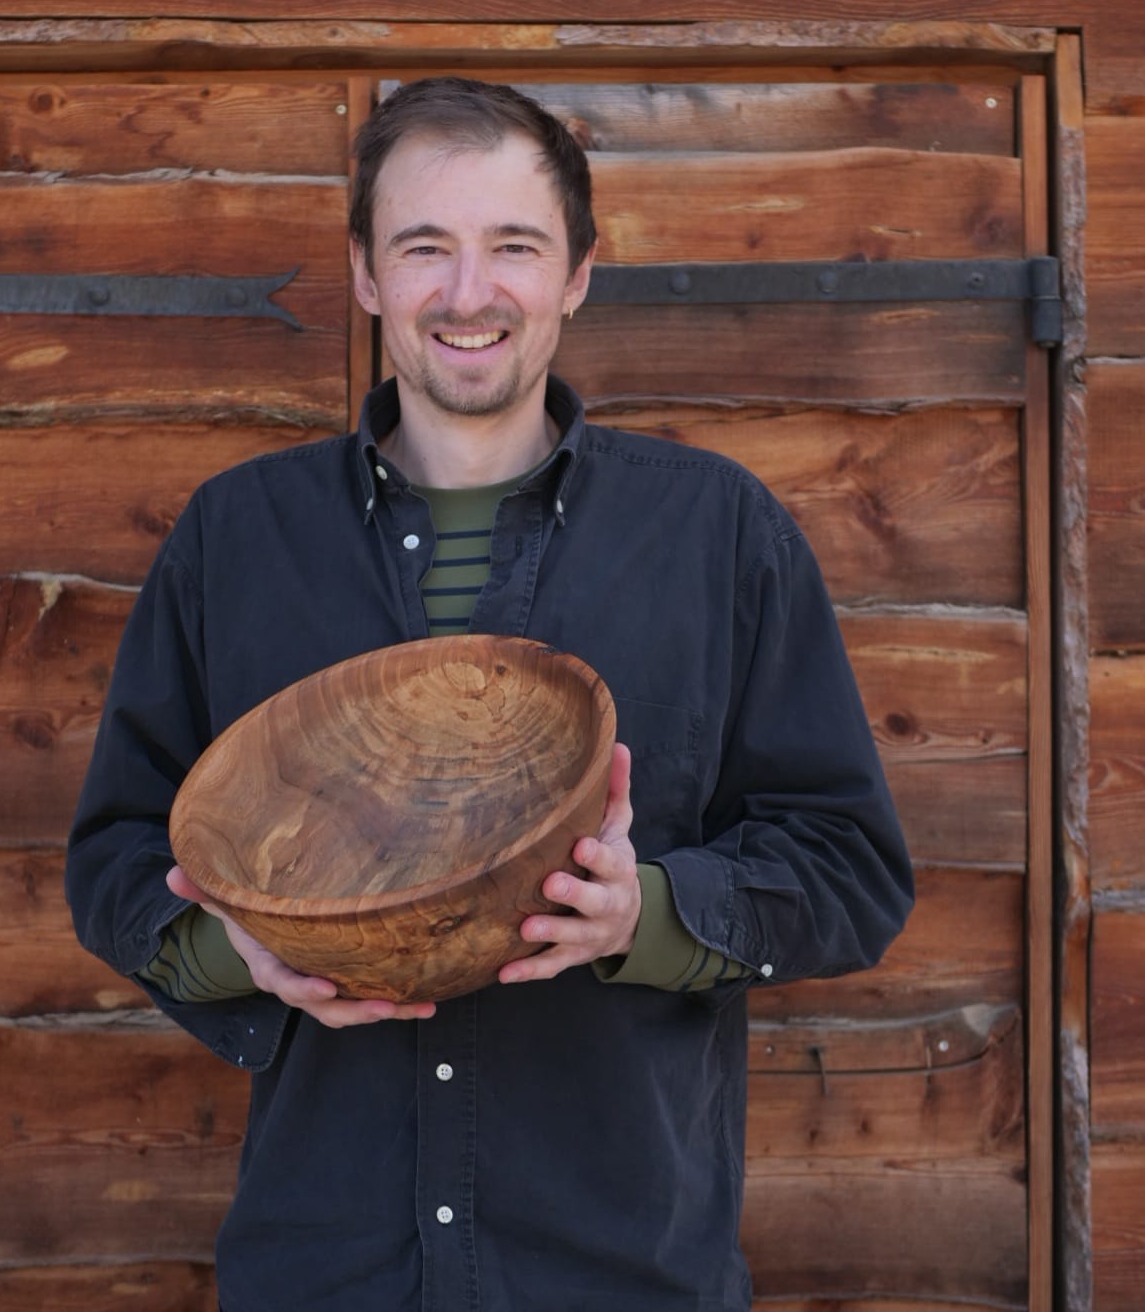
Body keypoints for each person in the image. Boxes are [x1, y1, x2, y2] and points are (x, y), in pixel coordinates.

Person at [66, 76, 914, 1311]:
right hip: (325, 1270)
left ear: (576, 272)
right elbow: (113, 862)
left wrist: (649, 917)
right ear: (364, 273)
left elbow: (850, 869)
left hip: (625, 1275)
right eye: (424, 248)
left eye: (512, 246)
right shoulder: (235, 539)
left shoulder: (717, 533)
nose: (468, 295)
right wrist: (233, 948)